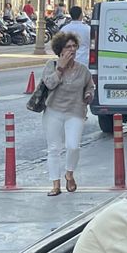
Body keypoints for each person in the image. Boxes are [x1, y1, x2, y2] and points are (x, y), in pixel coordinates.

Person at [40, 32, 95, 197]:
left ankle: (69, 173)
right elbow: (48, 84)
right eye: (68, 47)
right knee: (54, 148)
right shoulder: (52, 66)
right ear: (60, 50)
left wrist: (88, 95)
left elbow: (90, 86)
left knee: (73, 146)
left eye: (74, 46)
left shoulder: (83, 70)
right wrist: (60, 69)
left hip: (75, 112)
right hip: (53, 111)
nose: (72, 50)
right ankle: (55, 184)